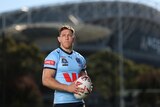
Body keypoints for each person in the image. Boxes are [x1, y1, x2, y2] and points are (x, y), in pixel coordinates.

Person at [42, 25, 90, 107]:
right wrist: (68, 88)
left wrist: (87, 86)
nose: (66, 38)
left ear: (73, 38)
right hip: (62, 103)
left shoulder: (80, 58)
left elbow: (85, 78)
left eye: (69, 35)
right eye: (63, 35)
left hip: (79, 102)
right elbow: (46, 80)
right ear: (59, 39)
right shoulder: (53, 56)